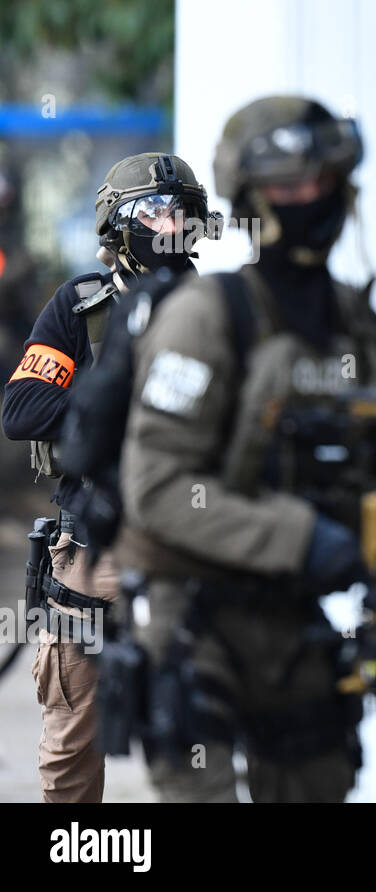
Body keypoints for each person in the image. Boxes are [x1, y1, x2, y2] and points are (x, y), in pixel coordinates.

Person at [111, 96, 376, 801]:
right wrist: (300, 537)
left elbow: (372, 475)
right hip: (193, 613)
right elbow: (160, 490)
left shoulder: (357, 324)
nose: (309, 201)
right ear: (253, 197)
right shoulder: (205, 316)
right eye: (288, 188)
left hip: (292, 618)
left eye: (321, 183)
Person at [2, 152, 212, 802]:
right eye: (152, 211)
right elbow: (22, 410)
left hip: (199, 542)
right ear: (117, 223)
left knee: (204, 735)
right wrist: (116, 411)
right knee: (71, 741)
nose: (168, 223)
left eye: (180, 211)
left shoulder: (222, 309)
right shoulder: (81, 306)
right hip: (95, 544)